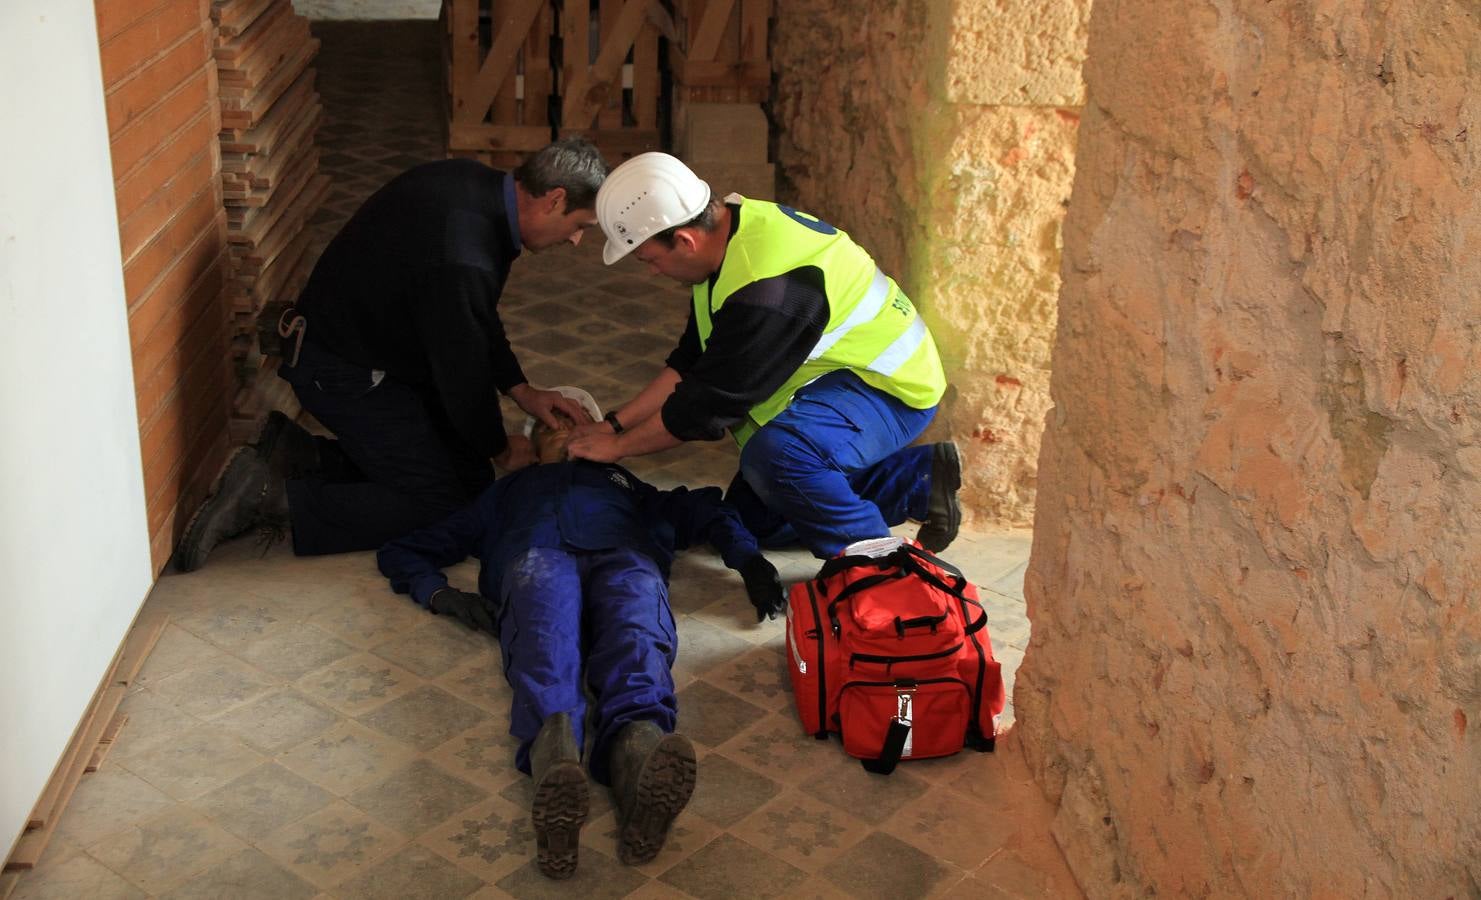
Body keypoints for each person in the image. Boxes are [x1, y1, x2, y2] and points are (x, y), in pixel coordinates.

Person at [376, 389, 784, 879]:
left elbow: (708, 511)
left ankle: (638, 756)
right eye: (552, 426)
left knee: (636, 635)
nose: (567, 432)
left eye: (579, 422)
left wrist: (748, 559)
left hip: (625, 557)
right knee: (545, 644)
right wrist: (440, 594)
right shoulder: (505, 493)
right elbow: (407, 549)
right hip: (537, 559)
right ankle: (557, 767)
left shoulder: (627, 484)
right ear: (533, 446)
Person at [175, 139, 609, 571]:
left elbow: (473, 319)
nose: (574, 241)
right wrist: (499, 448)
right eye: (581, 226)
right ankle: (268, 494)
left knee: (470, 476)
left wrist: (521, 390)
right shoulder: (465, 252)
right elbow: (461, 372)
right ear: (554, 200)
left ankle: (302, 455)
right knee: (446, 504)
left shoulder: (472, 185)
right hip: (343, 372)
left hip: (370, 352)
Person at [566, 152, 961, 560]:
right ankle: (919, 478)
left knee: (779, 459)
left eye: (650, 259)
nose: (652, 272)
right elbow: (690, 363)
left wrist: (619, 448)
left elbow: (707, 407)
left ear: (684, 241)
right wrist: (614, 425)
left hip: (888, 388)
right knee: (758, 517)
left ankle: (876, 564)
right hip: (842, 379)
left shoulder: (767, 289)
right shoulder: (730, 229)